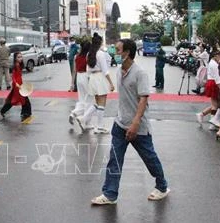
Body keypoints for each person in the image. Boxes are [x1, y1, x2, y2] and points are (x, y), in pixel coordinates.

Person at [91, 38, 169, 205]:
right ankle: (110, 194)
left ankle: (162, 186)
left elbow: (143, 99)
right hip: (120, 124)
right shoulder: (119, 71)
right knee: (114, 159)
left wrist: (135, 123)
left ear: (127, 53)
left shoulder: (140, 73)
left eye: (118, 50)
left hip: (138, 127)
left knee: (149, 158)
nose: (115, 54)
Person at [74, 33, 115, 134]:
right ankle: (99, 126)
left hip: (92, 78)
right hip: (100, 77)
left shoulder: (89, 54)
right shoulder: (100, 54)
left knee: (97, 103)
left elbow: (87, 70)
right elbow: (105, 70)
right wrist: (111, 83)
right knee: (102, 103)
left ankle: (84, 119)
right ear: (100, 43)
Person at [0, 52, 33, 121]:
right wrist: (16, 84)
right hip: (17, 85)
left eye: (21, 57)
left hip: (20, 84)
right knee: (22, 99)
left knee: (17, 99)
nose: (20, 58)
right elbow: (13, 76)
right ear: (15, 58)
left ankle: (4, 111)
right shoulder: (16, 65)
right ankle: (26, 113)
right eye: (18, 57)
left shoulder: (19, 64)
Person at [68, 40, 94, 128]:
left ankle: (74, 113)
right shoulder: (88, 56)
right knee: (89, 100)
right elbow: (89, 69)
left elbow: (74, 70)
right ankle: (86, 121)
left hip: (79, 77)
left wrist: (72, 83)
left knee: (82, 99)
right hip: (85, 76)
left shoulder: (76, 56)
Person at [196, 50, 220, 128]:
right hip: (214, 83)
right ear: (215, 56)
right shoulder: (214, 64)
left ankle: (202, 114)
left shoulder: (212, 63)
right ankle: (212, 123)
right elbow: (217, 77)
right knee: (215, 105)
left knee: (216, 104)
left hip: (212, 82)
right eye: (219, 56)